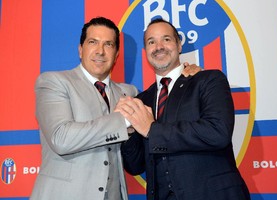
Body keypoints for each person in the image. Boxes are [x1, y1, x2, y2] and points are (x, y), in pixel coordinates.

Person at [30, 17, 201, 200]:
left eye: (108, 44)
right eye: (93, 42)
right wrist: (123, 120)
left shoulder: (130, 93)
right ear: (81, 50)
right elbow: (61, 138)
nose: (100, 51)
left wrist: (186, 77)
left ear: (117, 54)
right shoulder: (53, 82)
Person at [116, 18, 251, 200]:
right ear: (146, 50)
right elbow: (136, 166)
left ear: (179, 45)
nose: (159, 46)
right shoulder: (143, 100)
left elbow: (218, 132)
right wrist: (130, 131)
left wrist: (152, 130)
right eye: (151, 42)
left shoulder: (208, 80)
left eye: (166, 39)